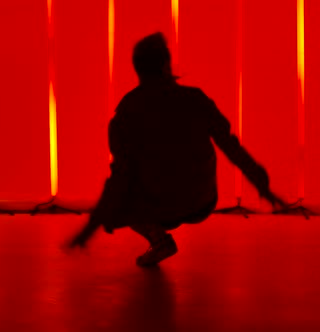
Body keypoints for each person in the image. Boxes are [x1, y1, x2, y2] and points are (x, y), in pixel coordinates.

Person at [64, 32, 285, 266]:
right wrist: (262, 185)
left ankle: (158, 239)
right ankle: (159, 242)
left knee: (121, 197)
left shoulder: (127, 114)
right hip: (201, 201)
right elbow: (230, 146)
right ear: (166, 63)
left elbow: (120, 178)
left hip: (156, 206)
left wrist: (89, 229)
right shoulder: (195, 100)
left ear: (137, 69)